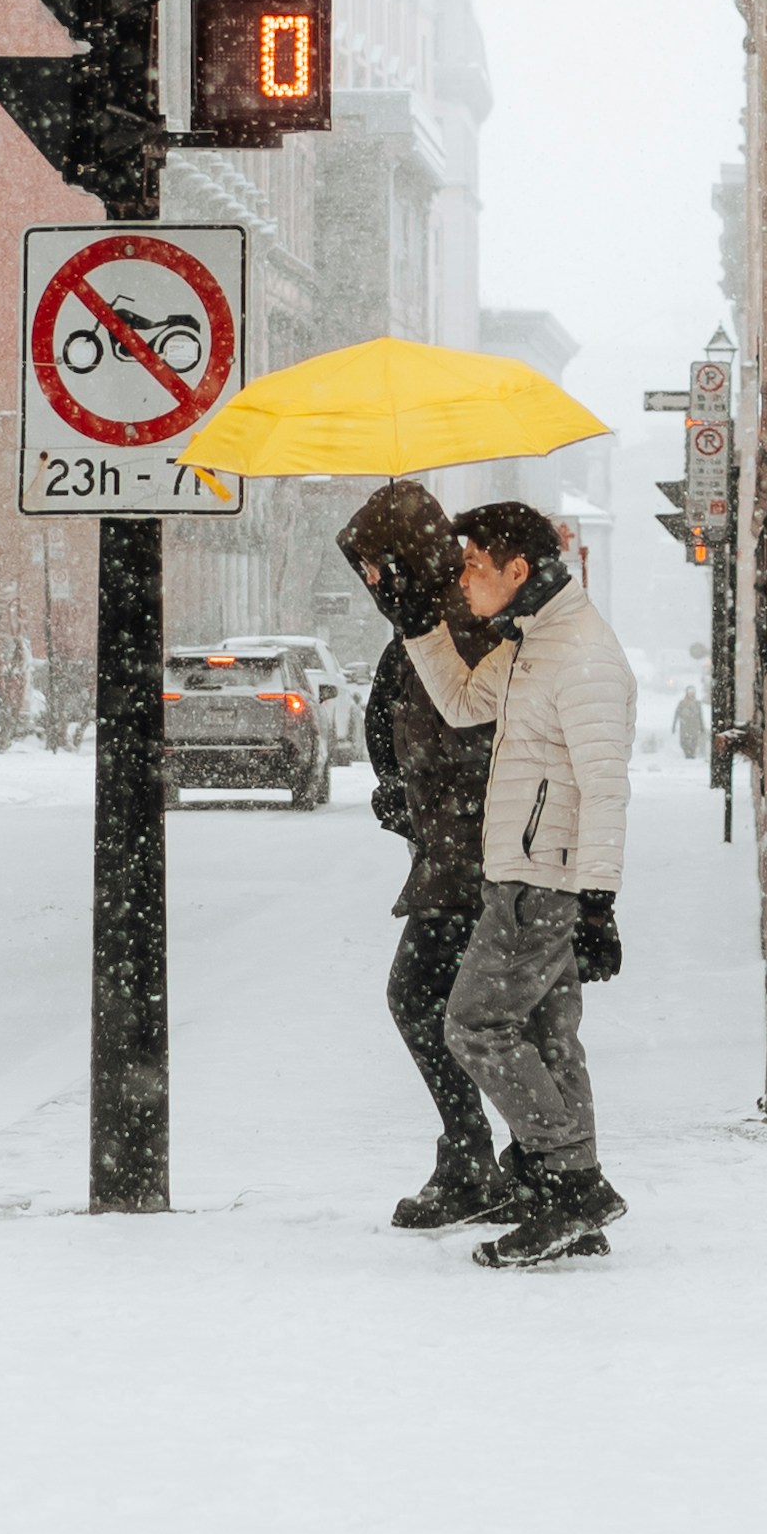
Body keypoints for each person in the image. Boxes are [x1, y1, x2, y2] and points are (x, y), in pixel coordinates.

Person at [399, 494, 634, 1265]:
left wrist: (596, 899)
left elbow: (605, 785)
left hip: (543, 879)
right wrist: (418, 629)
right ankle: (573, 1206)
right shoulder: (534, 642)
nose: (463, 577)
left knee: (473, 1025)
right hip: (529, 872)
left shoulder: (582, 656)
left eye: (474, 563)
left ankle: (573, 1184)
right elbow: (465, 703)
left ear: (518, 568)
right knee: (544, 1033)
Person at [334, 480, 502, 1232]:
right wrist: (399, 791)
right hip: (456, 851)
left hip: (474, 855)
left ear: (406, 557)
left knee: (431, 1002)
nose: (369, 578)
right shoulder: (420, 622)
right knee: (468, 1013)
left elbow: (469, 738)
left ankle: (485, 1161)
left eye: (375, 561)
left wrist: (423, 800)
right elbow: (397, 735)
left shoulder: (454, 627)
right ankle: (501, 1160)